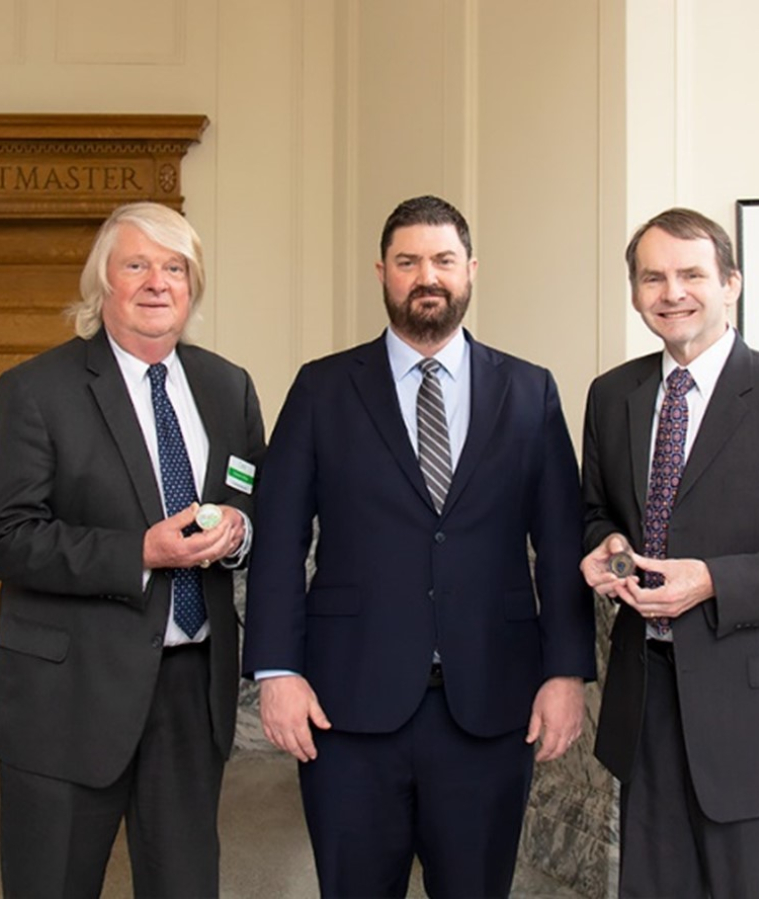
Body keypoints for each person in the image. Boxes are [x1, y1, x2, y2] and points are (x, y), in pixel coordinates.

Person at [242, 195, 595, 899]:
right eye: (407, 261)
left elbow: (558, 543)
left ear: (471, 271)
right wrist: (276, 671)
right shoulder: (322, 387)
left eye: (442, 260)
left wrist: (566, 672)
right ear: (382, 272)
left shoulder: (530, 391)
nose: (425, 275)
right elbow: (281, 536)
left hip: (490, 705)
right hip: (346, 708)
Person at [580, 207, 759, 898]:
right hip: (648, 709)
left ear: (732, 284)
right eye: (653, 277)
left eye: (691, 274)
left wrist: (713, 580)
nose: (672, 291)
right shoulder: (611, 395)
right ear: (635, 292)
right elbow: (596, 512)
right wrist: (607, 547)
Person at [0, 201, 265, 898]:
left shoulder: (229, 388)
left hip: (192, 692)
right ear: (102, 282)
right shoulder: (35, 390)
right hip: (67, 700)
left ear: (192, 287)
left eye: (174, 268)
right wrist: (139, 550)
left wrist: (238, 531)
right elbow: (3, 538)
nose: (157, 282)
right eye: (136, 264)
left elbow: (253, 495)